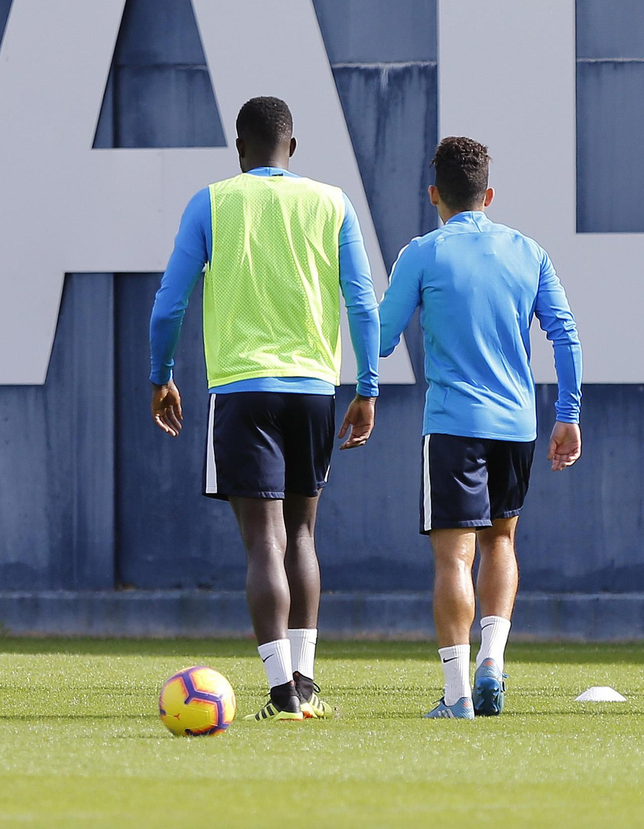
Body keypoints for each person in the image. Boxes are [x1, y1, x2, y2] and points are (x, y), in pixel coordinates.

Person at [149, 96, 380, 722]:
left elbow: (169, 303)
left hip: (242, 387)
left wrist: (161, 376)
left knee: (262, 544)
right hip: (312, 388)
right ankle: (306, 685)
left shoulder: (213, 201)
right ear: (293, 148)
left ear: (239, 148)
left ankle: (280, 689)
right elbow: (362, 302)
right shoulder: (332, 202)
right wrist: (368, 386)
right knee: (303, 535)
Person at [379, 136, 582, 719]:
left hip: (452, 424)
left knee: (452, 559)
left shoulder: (422, 252)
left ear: (433, 194)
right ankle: (492, 656)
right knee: (501, 542)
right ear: (488, 194)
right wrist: (567, 414)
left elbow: (383, 337)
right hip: (516, 424)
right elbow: (566, 336)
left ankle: (457, 693)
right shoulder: (528, 251)